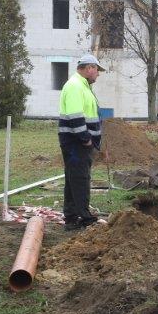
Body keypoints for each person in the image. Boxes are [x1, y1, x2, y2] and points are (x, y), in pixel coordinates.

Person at [58, 54, 104, 231]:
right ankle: (84, 217)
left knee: (73, 179)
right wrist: (85, 139)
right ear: (89, 68)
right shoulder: (76, 86)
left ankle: (71, 217)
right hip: (76, 143)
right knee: (80, 179)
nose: (97, 74)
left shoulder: (81, 86)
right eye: (97, 70)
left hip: (76, 142)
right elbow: (75, 116)